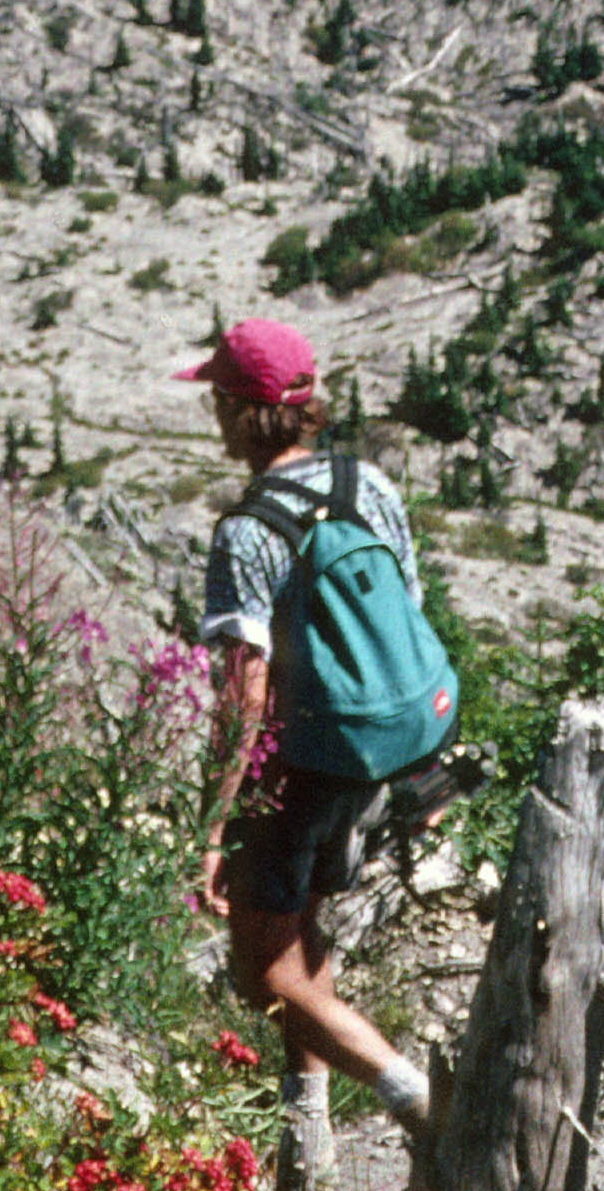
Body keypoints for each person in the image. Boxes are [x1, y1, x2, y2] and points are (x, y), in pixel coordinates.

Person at [183, 314, 455, 1136]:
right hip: (391, 748)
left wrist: (213, 825)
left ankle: (416, 1097)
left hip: (303, 766)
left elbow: (245, 693)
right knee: (298, 942)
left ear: (237, 410)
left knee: (265, 969)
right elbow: (407, 608)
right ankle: (308, 1169)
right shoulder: (367, 485)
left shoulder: (246, 532)